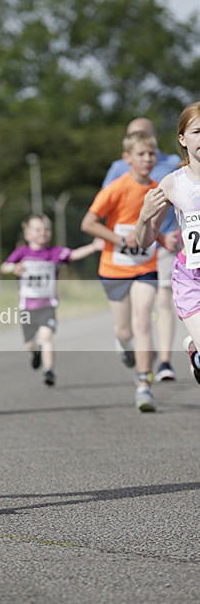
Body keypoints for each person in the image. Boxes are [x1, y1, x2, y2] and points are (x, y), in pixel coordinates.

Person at [81, 130, 176, 413]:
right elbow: (88, 223)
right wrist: (120, 239)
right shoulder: (116, 188)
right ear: (127, 158)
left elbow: (153, 228)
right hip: (115, 267)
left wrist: (165, 241)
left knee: (142, 321)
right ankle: (123, 345)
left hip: (145, 266)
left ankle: (144, 384)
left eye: (151, 154)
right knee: (124, 330)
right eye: (141, 154)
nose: (147, 159)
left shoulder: (158, 190)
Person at [102, 118, 181, 382]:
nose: (146, 156)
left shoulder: (172, 163)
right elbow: (107, 204)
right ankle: (126, 340)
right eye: (132, 134)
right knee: (128, 323)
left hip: (164, 243)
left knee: (162, 299)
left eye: (142, 134)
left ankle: (165, 362)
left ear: (153, 137)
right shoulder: (118, 167)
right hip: (130, 247)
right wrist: (115, 238)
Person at [135, 101, 200, 386]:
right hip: (192, 279)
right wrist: (145, 215)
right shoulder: (173, 184)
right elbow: (145, 241)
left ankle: (195, 353)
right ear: (182, 139)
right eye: (197, 132)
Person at [0, 214, 103, 386]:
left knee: (46, 337)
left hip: (47, 305)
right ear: (28, 234)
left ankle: (49, 371)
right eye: (38, 229)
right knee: (29, 343)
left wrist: (93, 247)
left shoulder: (54, 253)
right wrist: (14, 268)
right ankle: (35, 353)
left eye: (46, 229)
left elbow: (74, 254)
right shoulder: (22, 253)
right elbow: (3, 267)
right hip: (27, 307)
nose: (43, 232)